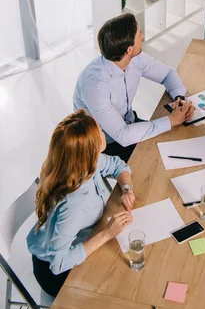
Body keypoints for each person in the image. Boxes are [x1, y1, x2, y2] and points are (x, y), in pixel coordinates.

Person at [27, 110, 135, 297]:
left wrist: (127, 188)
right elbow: (58, 263)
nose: (103, 132)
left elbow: (117, 165)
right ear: (90, 150)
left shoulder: (83, 163)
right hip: (56, 275)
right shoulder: (73, 204)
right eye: (100, 131)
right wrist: (106, 234)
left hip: (73, 242)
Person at [74, 12, 194, 162]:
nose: (142, 37)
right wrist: (171, 120)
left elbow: (167, 74)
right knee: (160, 161)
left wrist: (179, 98)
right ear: (129, 49)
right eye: (139, 35)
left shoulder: (134, 58)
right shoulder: (95, 86)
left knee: (178, 142)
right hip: (106, 144)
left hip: (129, 123)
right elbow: (122, 136)